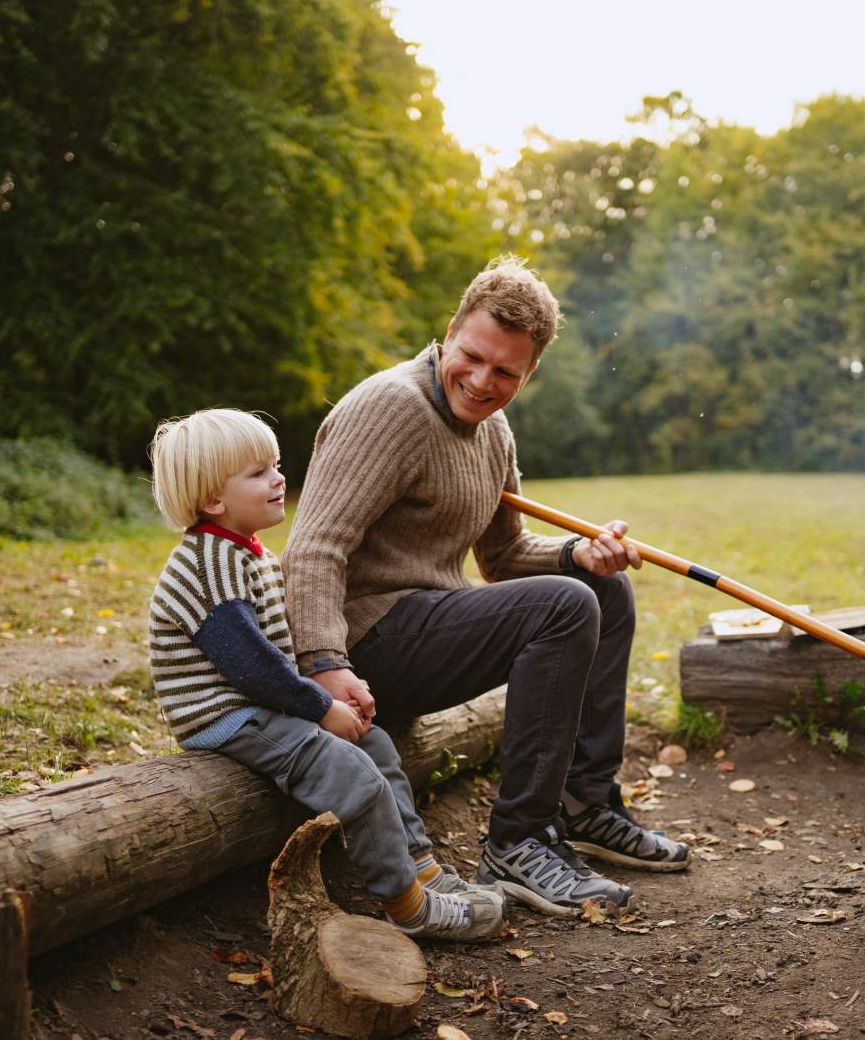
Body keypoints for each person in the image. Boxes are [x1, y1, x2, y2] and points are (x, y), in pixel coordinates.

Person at [284, 257, 689, 918]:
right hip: (366, 644)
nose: (481, 380)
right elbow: (312, 549)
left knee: (601, 589)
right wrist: (324, 666)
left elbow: (502, 556)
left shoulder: (492, 430)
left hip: (430, 621)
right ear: (449, 331)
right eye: (472, 356)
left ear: (531, 372)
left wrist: (578, 552)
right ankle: (518, 841)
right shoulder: (390, 408)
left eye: (505, 371)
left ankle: (584, 804)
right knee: (565, 602)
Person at [146, 408, 506, 942]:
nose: (278, 479)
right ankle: (406, 905)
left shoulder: (247, 554)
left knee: (377, 746)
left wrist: (330, 684)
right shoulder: (207, 565)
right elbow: (250, 666)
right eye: (258, 473)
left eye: (276, 465)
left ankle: (421, 868)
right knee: (351, 773)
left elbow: (278, 649)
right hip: (226, 716)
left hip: (255, 704)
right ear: (213, 501)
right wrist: (320, 709)